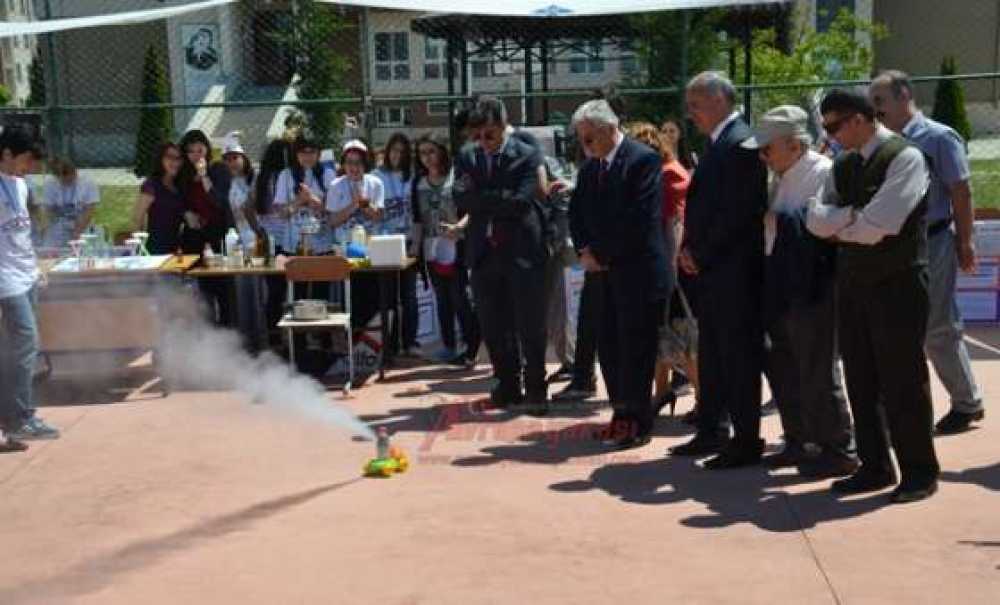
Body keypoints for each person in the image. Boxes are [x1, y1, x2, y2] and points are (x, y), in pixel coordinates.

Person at [807, 89, 939, 503]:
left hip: (898, 283)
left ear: (860, 119)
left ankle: (919, 471)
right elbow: (814, 219)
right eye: (825, 127)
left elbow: (880, 224)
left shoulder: (906, 157)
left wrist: (843, 224)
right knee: (861, 379)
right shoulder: (844, 164)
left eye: (834, 126)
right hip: (854, 283)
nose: (829, 136)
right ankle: (875, 465)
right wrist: (850, 218)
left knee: (902, 380)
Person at [741, 105, 857, 478]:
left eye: (767, 148)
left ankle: (837, 446)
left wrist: (778, 220)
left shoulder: (822, 172)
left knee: (817, 366)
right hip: (781, 279)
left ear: (792, 145)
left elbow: (829, 226)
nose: (763, 156)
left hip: (814, 284)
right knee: (783, 363)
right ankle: (799, 439)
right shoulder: (782, 174)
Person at [870, 70, 984, 435]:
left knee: (937, 325)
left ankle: (966, 403)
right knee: (897, 329)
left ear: (905, 96)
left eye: (880, 102)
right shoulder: (881, 141)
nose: (876, 110)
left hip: (932, 240)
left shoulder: (938, 138)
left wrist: (965, 242)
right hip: (894, 245)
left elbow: (961, 192)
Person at [671, 71, 768, 469]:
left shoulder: (741, 142)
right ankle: (712, 428)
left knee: (739, 356)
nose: (690, 113)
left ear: (718, 101)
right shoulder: (719, 142)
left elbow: (740, 212)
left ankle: (746, 439)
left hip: (734, 270)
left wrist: (703, 252)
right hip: (713, 268)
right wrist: (691, 248)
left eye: (695, 104)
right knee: (712, 352)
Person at [569, 100, 668, 449]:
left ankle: (638, 422)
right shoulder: (590, 168)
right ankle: (620, 414)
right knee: (608, 346)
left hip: (636, 272)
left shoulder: (643, 160)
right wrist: (584, 250)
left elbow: (640, 218)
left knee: (635, 349)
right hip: (601, 273)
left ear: (610, 130)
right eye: (581, 140)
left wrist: (602, 253)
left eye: (590, 139)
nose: (586, 147)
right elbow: (576, 212)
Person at [454, 96, 548, 412]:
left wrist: (483, 199)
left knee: (529, 323)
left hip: (522, 251)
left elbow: (522, 202)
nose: (483, 143)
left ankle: (536, 388)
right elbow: (462, 198)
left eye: (489, 135)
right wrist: (494, 199)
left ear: (503, 126)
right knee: (494, 326)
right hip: (482, 253)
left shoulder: (528, 153)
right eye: (477, 136)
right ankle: (507, 384)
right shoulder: (467, 156)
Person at [0, 125, 60, 451]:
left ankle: (11, 423)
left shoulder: (20, 186)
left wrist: (37, 267)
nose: (30, 166)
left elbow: (22, 234)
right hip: (4, 278)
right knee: (24, 343)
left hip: (25, 274)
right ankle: (20, 418)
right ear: (6, 154)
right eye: (25, 159)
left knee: (17, 350)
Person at [625, 121, 690, 417]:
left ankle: (705, 403)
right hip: (662, 264)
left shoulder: (668, 175)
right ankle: (662, 392)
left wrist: (671, 271)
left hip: (671, 267)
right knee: (663, 335)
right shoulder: (663, 172)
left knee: (684, 339)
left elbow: (675, 224)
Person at [412, 134, 480, 368]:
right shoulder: (418, 183)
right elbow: (417, 220)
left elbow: (474, 210)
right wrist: (415, 248)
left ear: (442, 151)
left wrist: (459, 227)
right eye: (422, 153)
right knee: (442, 300)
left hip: (457, 247)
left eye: (431, 151)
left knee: (460, 298)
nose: (427, 158)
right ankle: (449, 346)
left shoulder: (457, 178)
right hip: (432, 250)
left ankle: (471, 349)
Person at [178, 129, 233, 326]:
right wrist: (186, 214)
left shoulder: (219, 169)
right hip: (194, 235)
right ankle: (202, 331)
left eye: (199, 150)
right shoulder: (183, 175)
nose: (196, 155)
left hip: (218, 232)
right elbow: (178, 202)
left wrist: (204, 176)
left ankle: (227, 331)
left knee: (223, 286)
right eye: (191, 151)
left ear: (207, 149)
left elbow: (219, 201)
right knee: (199, 287)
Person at [375, 133, 421, 358]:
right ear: (387, 151)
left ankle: (410, 342)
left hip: (408, 240)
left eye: (402, 152)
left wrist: (416, 242)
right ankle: (389, 344)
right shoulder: (376, 176)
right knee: (387, 296)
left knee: (409, 295)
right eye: (394, 150)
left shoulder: (412, 176)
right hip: (385, 242)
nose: (397, 155)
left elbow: (418, 212)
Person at [222, 131, 266, 351]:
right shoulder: (226, 183)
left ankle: (261, 340)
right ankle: (246, 340)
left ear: (244, 158)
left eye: (235, 157)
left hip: (256, 238)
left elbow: (253, 208)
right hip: (237, 242)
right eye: (228, 159)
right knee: (242, 292)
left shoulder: (255, 178)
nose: (233, 163)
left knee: (258, 292)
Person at [275, 133, 336, 255]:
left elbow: (334, 212)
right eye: (303, 152)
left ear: (318, 154)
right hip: (293, 245)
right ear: (296, 154)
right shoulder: (285, 175)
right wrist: (299, 201)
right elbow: (281, 213)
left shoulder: (328, 174)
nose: (307, 157)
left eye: (312, 152)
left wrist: (313, 200)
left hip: (323, 245)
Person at [132, 142, 185, 255]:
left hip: (176, 248)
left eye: (178, 158)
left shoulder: (179, 186)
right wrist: (138, 249)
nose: (174, 162)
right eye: (169, 157)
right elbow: (137, 218)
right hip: (155, 249)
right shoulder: (151, 185)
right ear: (160, 159)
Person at [41, 158, 99, 249]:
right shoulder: (50, 183)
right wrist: (45, 227)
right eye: (63, 179)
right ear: (57, 176)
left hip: (81, 222)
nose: (67, 181)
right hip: (59, 224)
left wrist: (78, 231)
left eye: (70, 177)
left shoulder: (87, 182)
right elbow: (47, 209)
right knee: (49, 248)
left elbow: (90, 209)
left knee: (83, 248)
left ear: (74, 172)